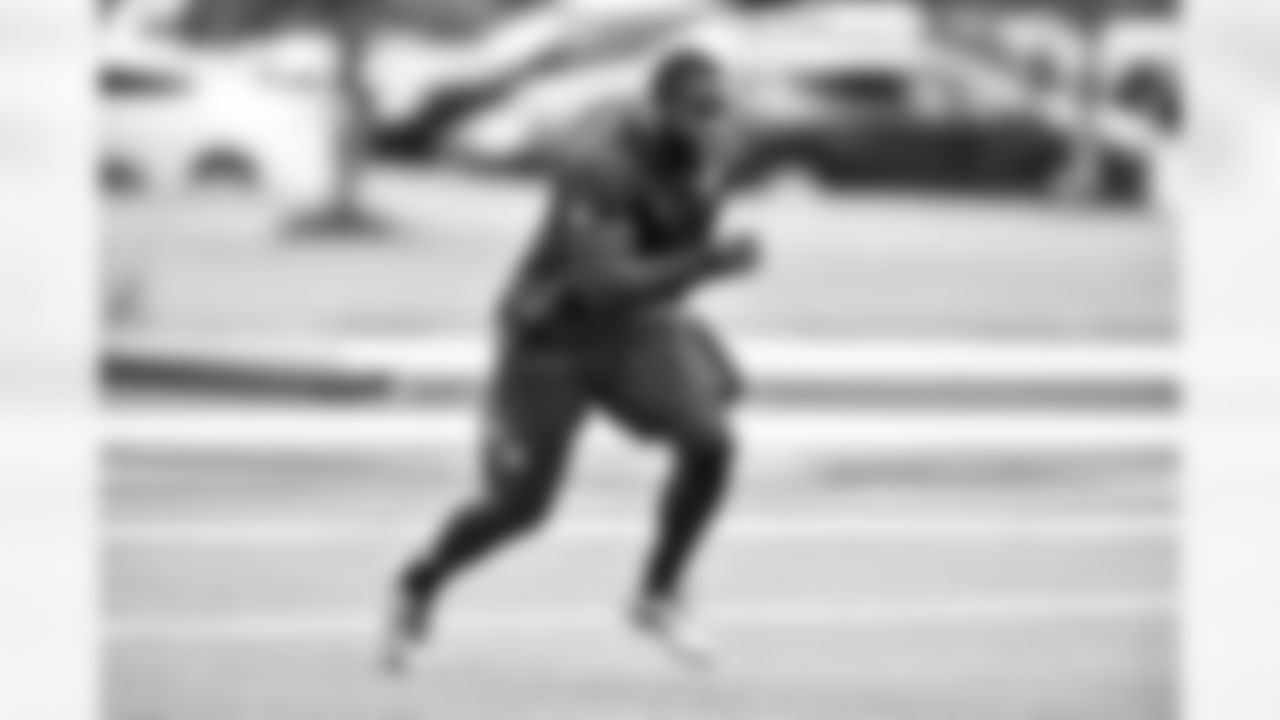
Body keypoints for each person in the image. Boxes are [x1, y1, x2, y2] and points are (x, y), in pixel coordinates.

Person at [383, 48, 760, 673]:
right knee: (520, 506)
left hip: (634, 331)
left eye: (719, 110)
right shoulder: (601, 165)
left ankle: (658, 593)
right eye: (697, 111)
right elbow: (603, 283)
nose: (711, 124)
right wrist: (709, 263)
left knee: (711, 441)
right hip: (551, 340)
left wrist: (695, 342)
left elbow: (667, 261)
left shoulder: (712, 163)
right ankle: (419, 582)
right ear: (659, 110)